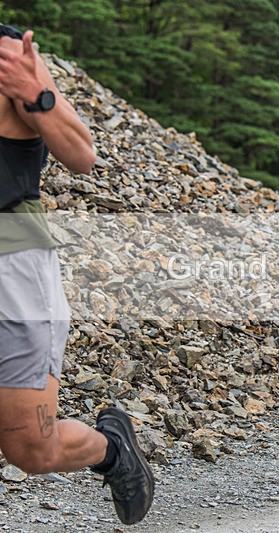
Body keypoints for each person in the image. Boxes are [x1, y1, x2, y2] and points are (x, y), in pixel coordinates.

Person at [0, 25, 154, 524]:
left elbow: (82, 154)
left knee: (32, 452)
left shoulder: (8, 55)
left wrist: (35, 96)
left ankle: (112, 451)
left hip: (12, 266)